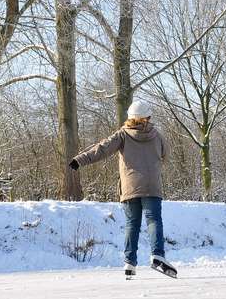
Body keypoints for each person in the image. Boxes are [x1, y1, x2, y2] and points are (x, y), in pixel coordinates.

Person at [69, 100, 176, 278]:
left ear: (130, 117)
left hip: (130, 187)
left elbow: (102, 149)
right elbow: (166, 155)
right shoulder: (157, 135)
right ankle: (157, 255)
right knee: (153, 221)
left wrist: (79, 160)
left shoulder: (123, 135)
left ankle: (129, 263)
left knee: (132, 224)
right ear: (148, 117)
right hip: (152, 185)